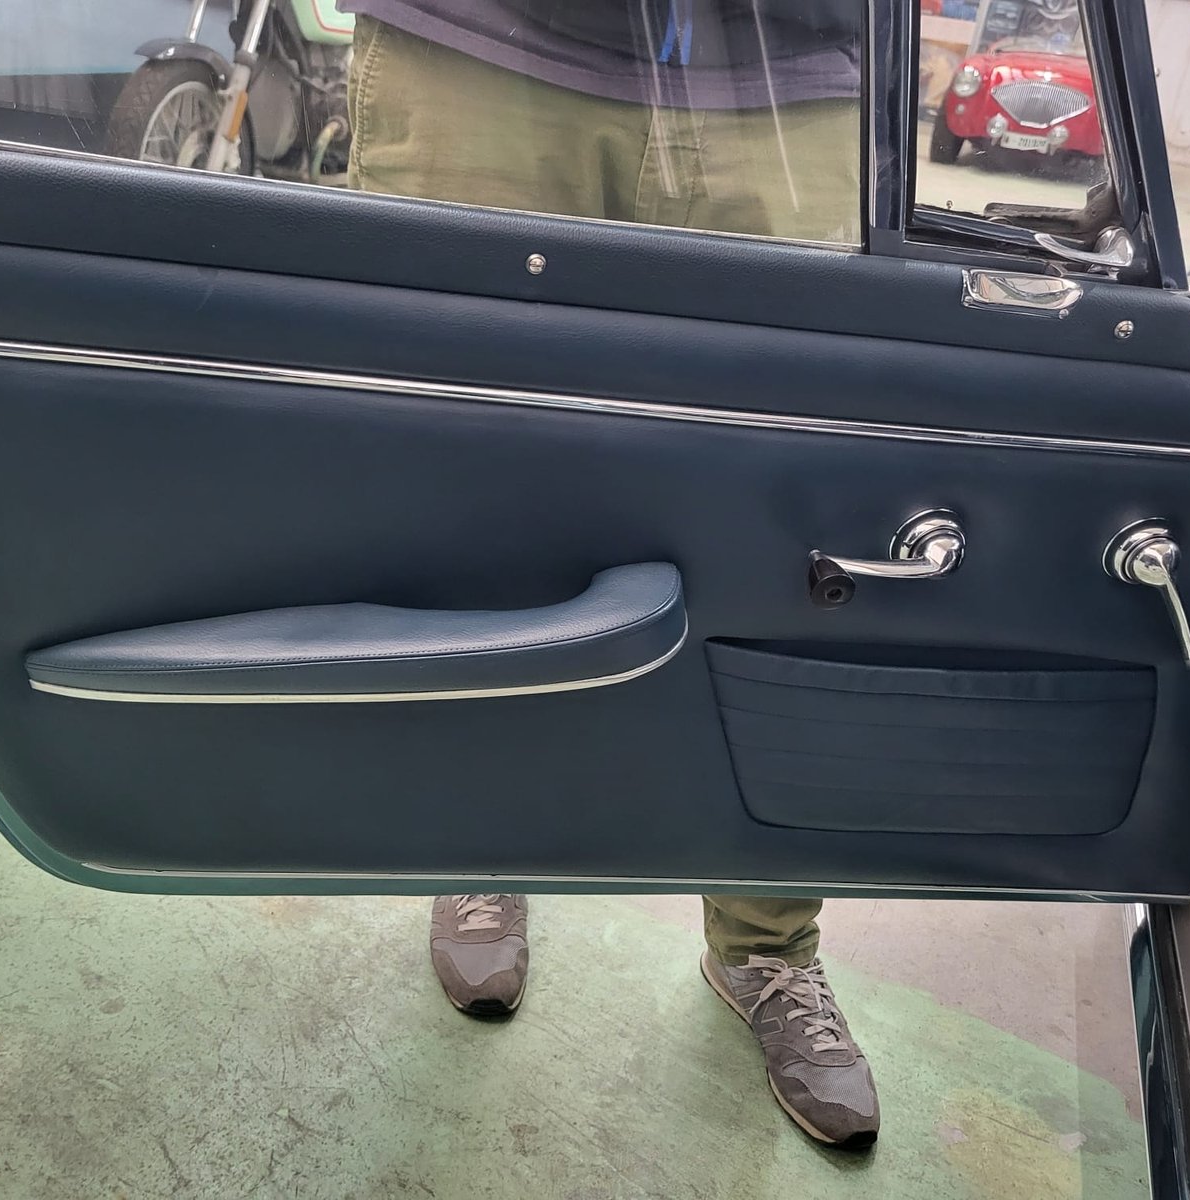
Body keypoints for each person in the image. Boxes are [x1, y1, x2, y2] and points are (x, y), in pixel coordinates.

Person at [340, 0, 877, 1149]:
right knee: (468, 492)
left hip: (785, 73)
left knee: (798, 536)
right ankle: (479, 841)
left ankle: (765, 948)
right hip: (485, 44)